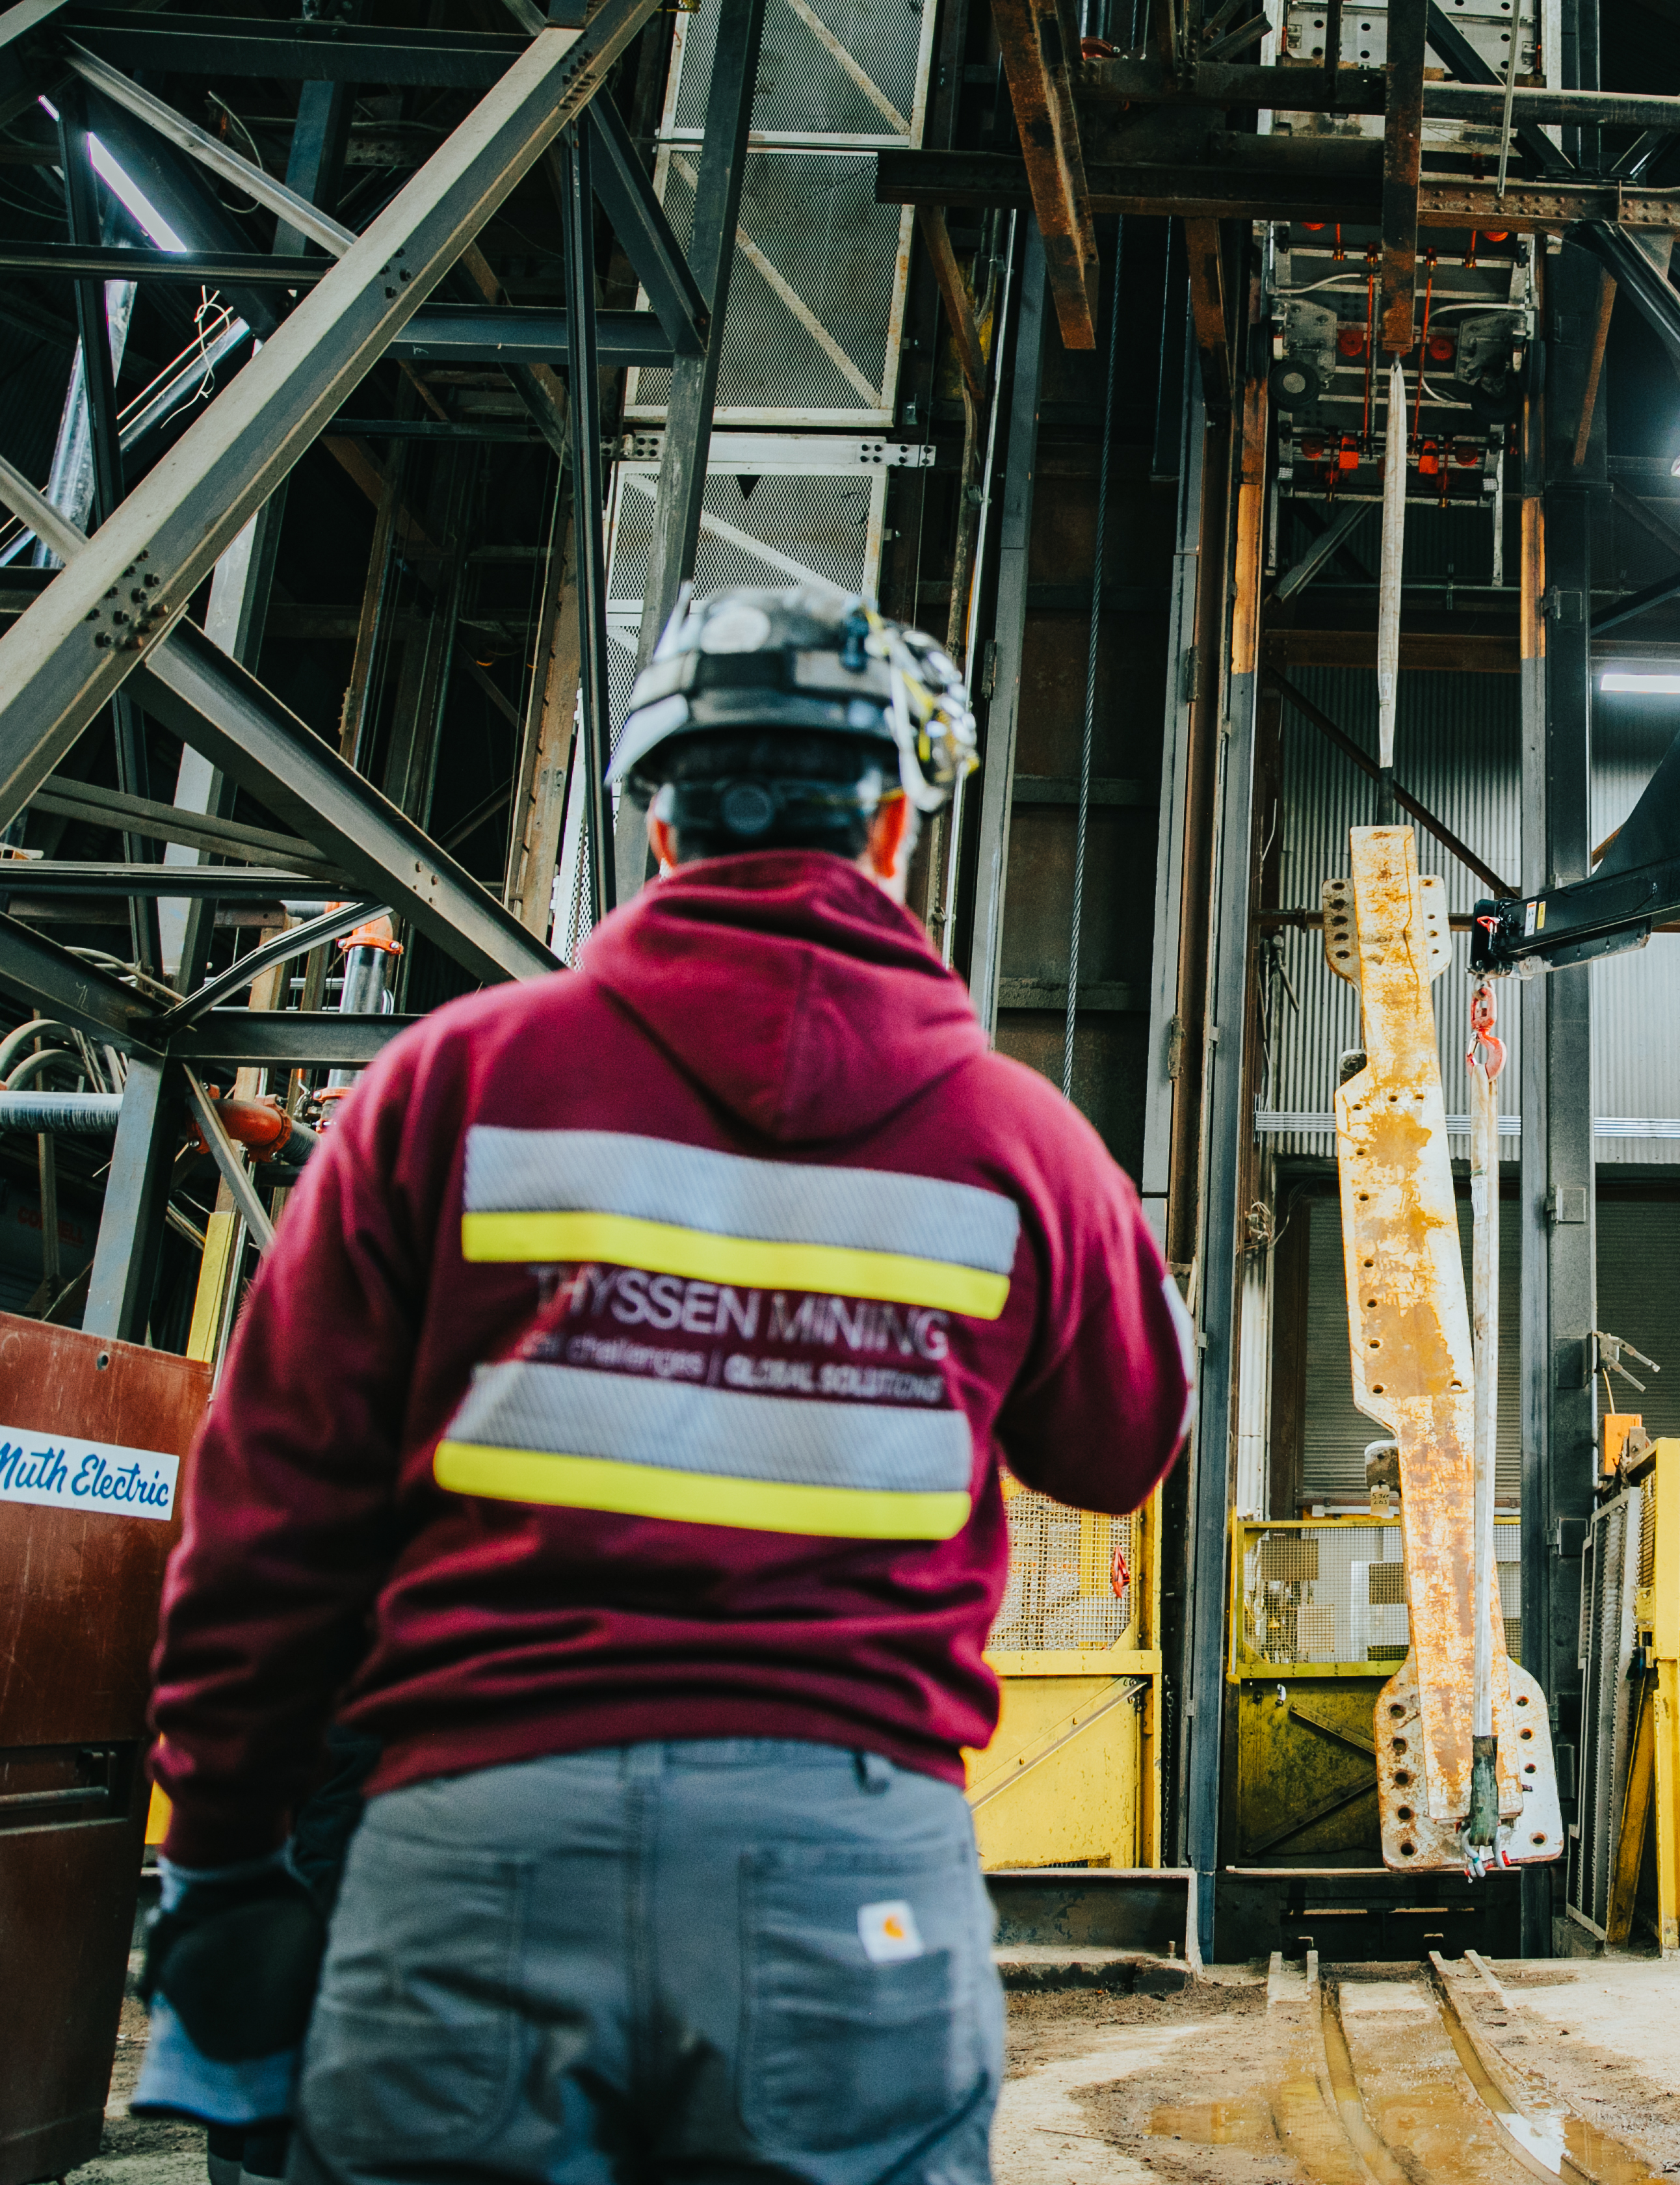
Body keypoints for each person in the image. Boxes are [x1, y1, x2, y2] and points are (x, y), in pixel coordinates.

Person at [135, 580, 1193, 2185]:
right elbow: (1124, 1442)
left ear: (658, 828)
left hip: (470, 1862)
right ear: (896, 827)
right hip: (854, 1886)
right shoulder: (1017, 1142)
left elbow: (265, 1524)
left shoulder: (450, 1088)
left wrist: (218, 1860)